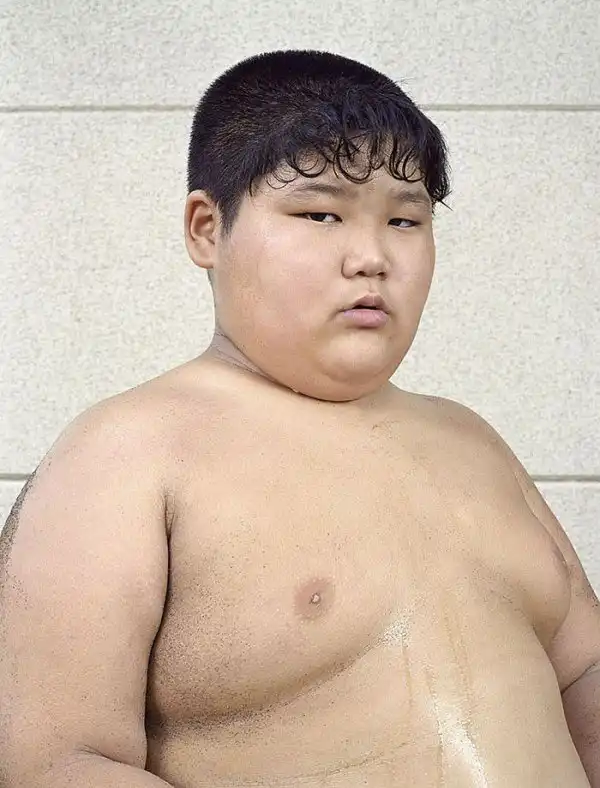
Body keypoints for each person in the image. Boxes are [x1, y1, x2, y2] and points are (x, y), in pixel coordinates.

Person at [1, 49, 599, 788]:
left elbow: (587, 682)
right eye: (321, 213)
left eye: (405, 220)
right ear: (206, 229)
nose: (371, 257)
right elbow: (52, 760)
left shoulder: (473, 442)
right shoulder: (125, 455)